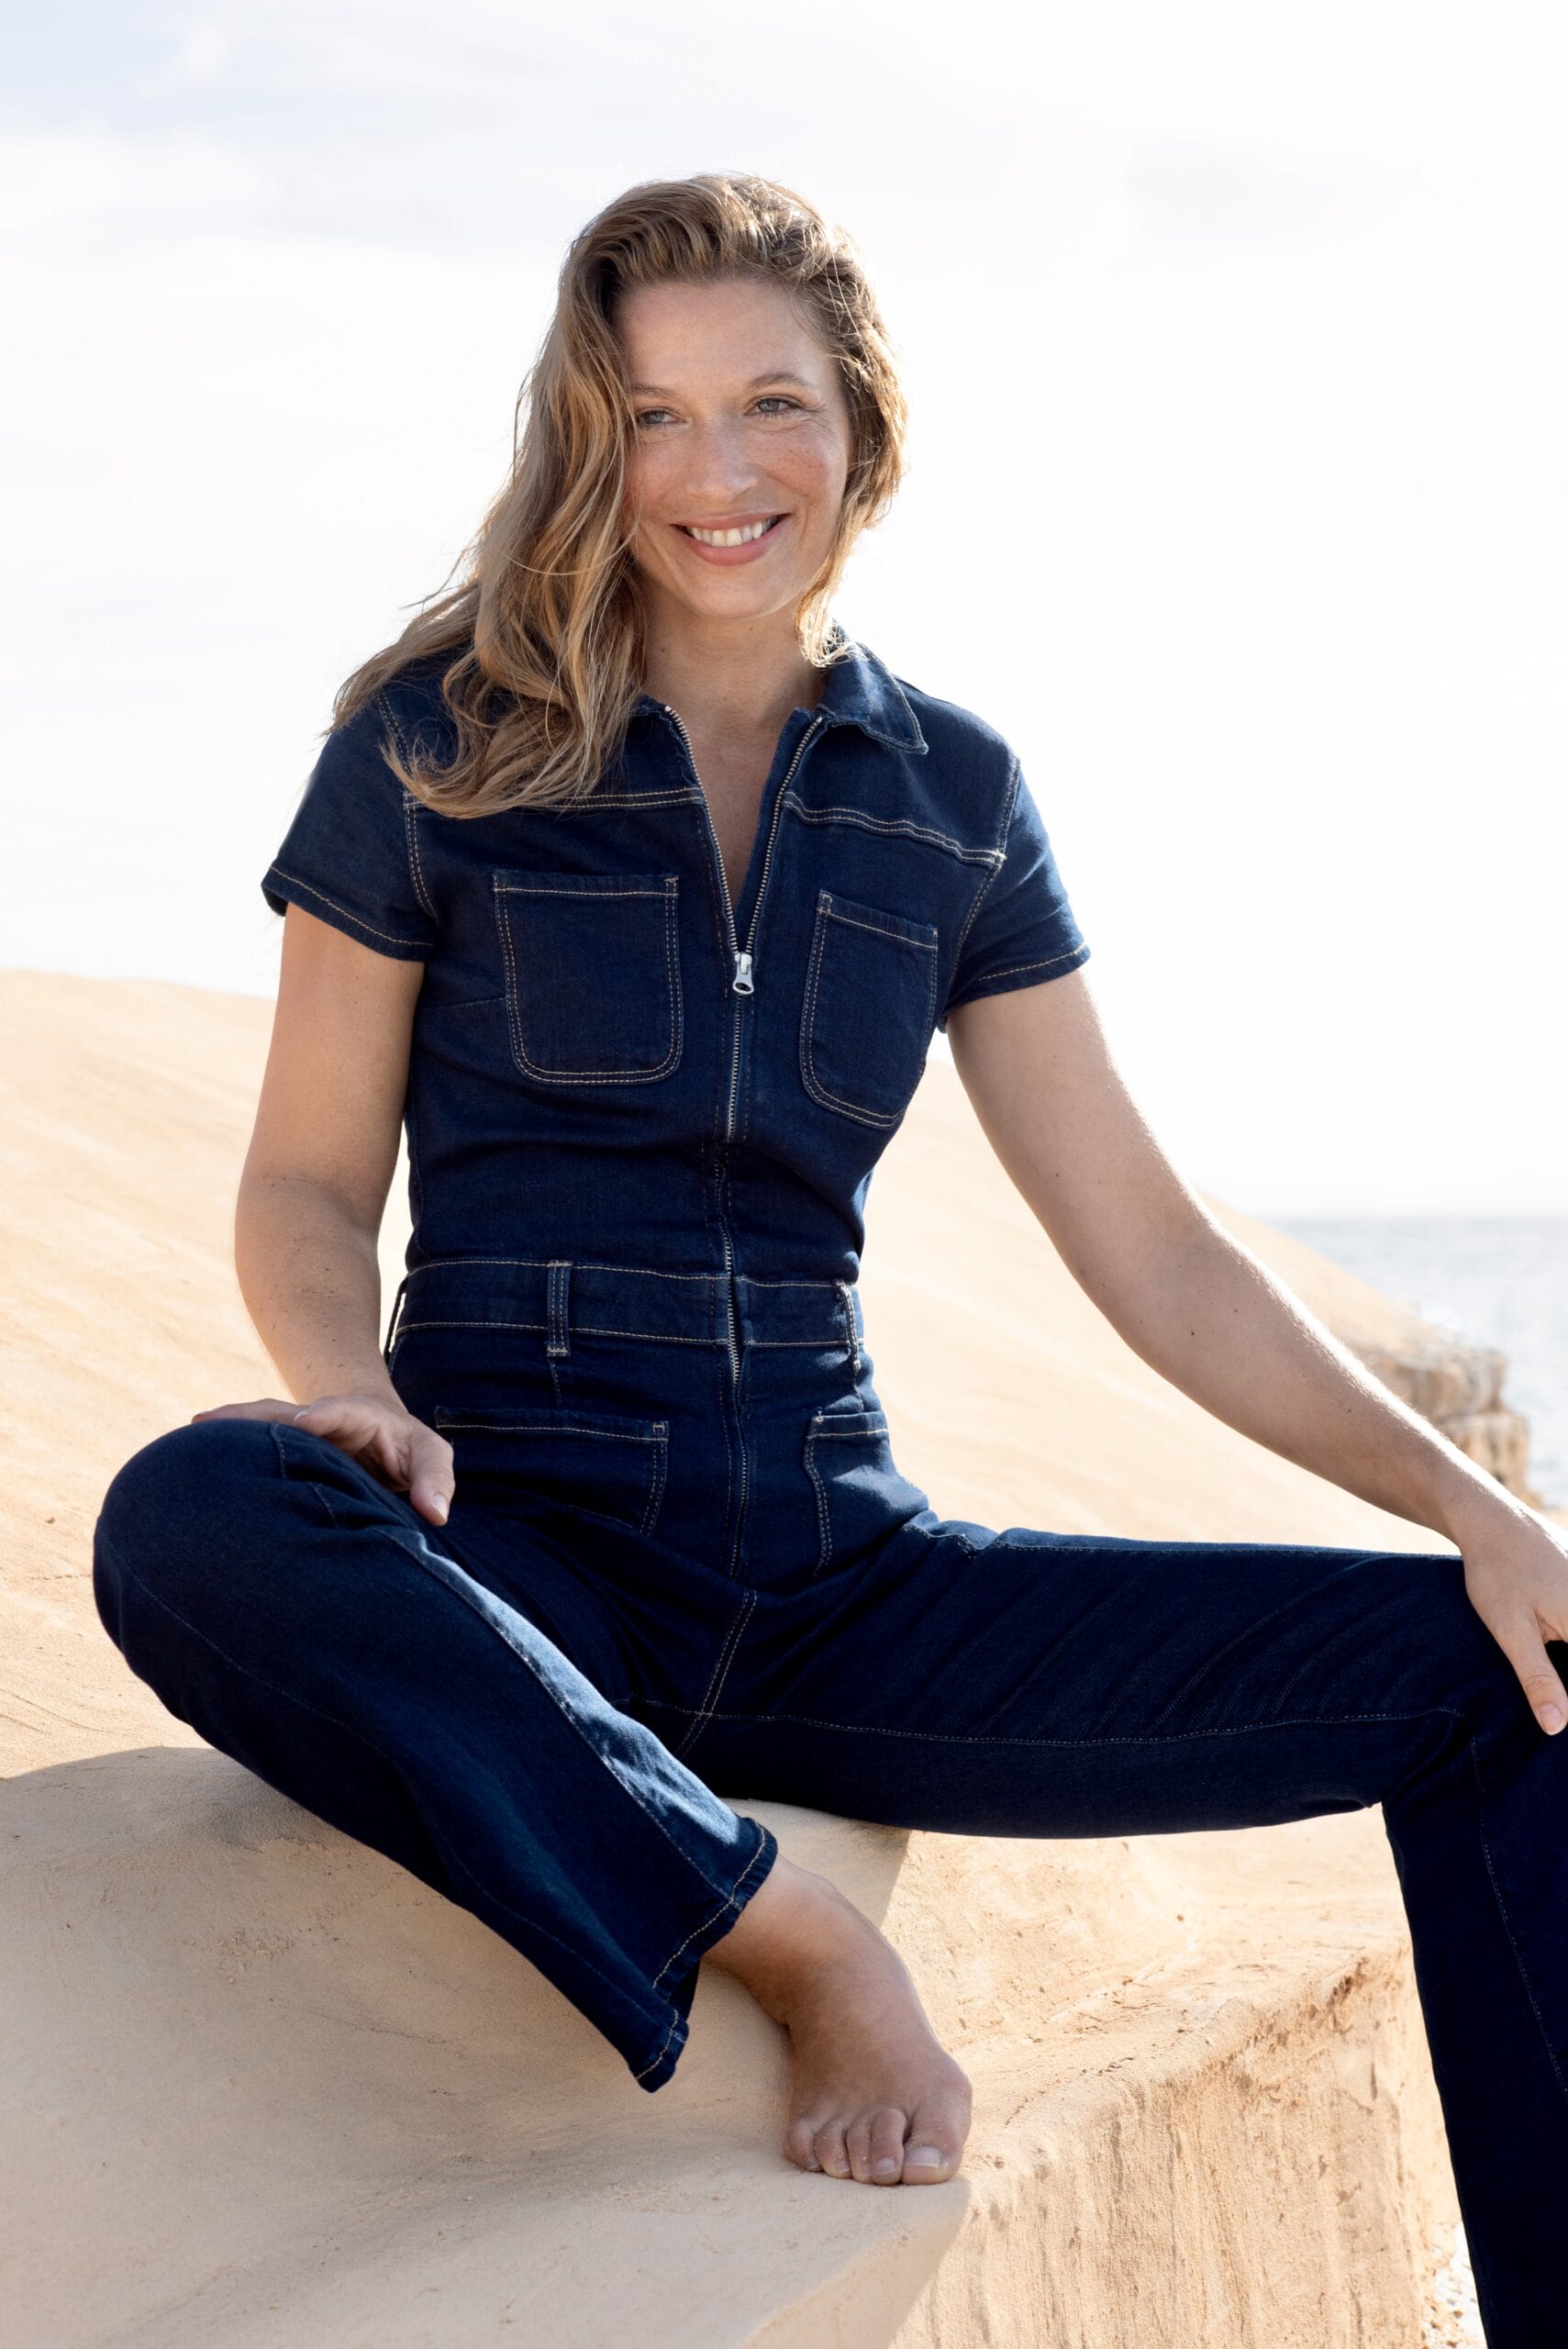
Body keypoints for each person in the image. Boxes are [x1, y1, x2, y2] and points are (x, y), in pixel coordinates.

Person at [93, 173, 1565, 2344]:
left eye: (769, 403)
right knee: (194, 1509)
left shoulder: (950, 795)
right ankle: (791, 1937)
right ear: (589, 442)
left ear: (860, 425)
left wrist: (1472, 1506)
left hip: (850, 1582)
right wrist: (351, 1389)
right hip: (520, 1540)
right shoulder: (431, 741)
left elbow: (1150, 1245)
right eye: (653, 416)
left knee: (1513, 1672)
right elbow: (307, 1181)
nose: (719, 469)